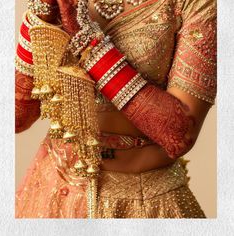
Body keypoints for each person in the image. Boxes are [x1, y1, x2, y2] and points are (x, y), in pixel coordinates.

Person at [15, 0, 216, 218]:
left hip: (144, 203)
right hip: (53, 190)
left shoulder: (196, 5)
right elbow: (16, 119)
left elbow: (179, 134)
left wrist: (89, 45)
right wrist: (38, 19)